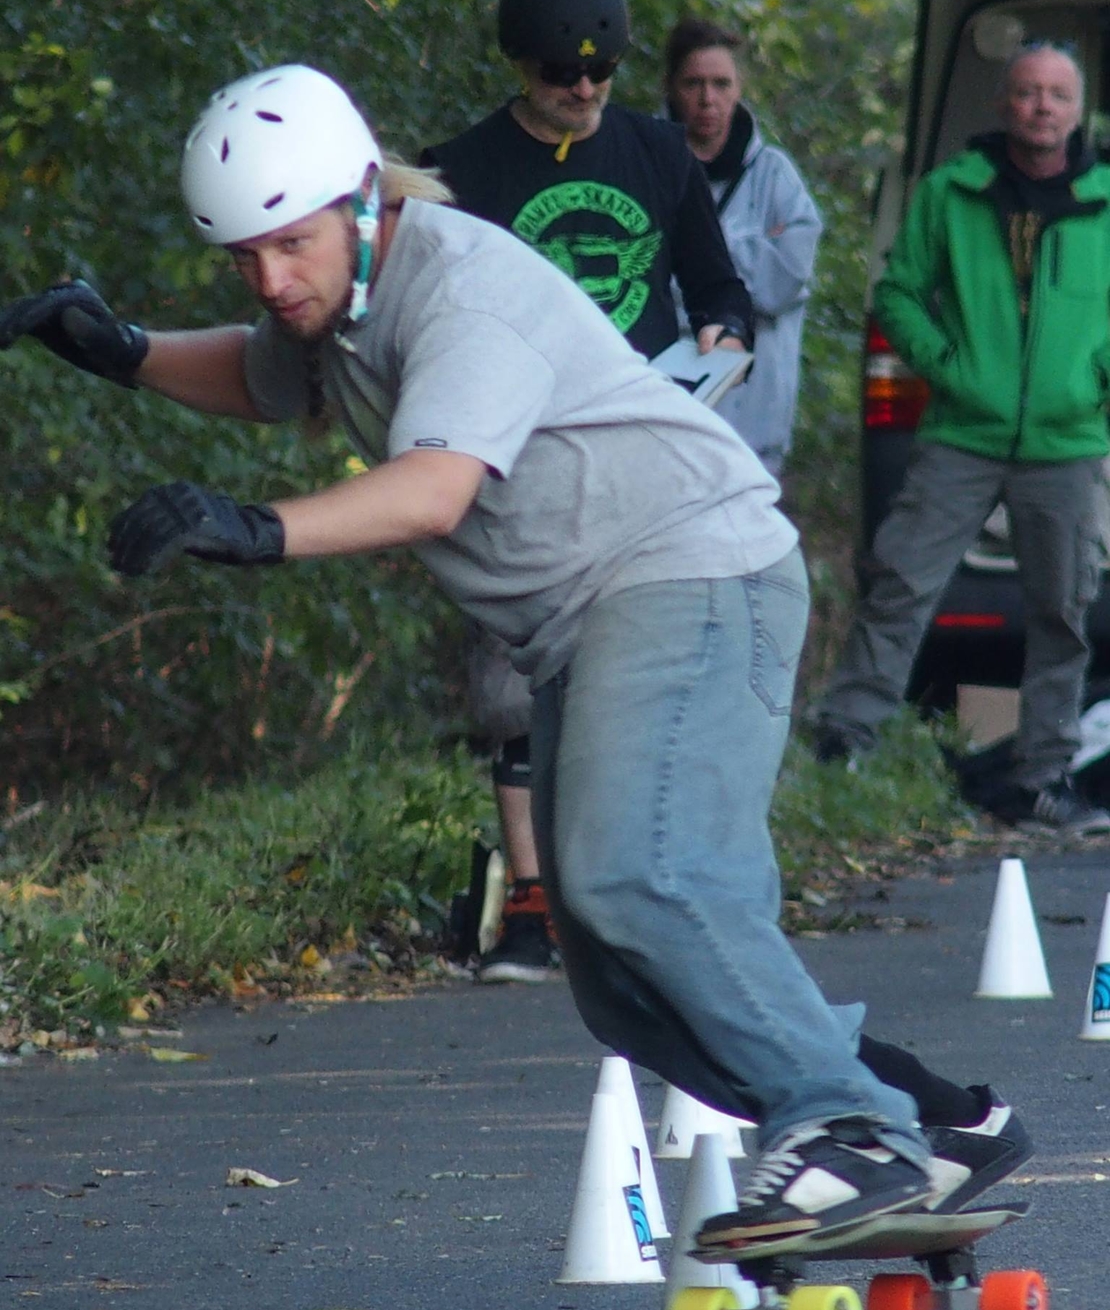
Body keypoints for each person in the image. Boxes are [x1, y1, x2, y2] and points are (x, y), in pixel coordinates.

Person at [0, 63, 1031, 1244]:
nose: (270, 279)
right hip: (595, 617)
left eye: (288, 244)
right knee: (623, 980)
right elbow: (257, 373)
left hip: (690, 569)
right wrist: (123, 349)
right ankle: (934, 1123)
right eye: (244, 257)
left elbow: (435, 491)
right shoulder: (338, 303)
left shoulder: (460, 286)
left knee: (639, 874)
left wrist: (256, 531)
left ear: (360, 200)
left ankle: (850, 1132)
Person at [422, 0, 755, 983]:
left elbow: (723, 295)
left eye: (602, 72)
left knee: (640, 676)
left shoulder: (656, 151)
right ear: (520, 65)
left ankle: (638, 892)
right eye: (564, 74)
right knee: (513, 681)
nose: (585, 90)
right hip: (516, 460)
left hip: (641, 455)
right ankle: (531, 903)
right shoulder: (462, 175)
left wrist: (717, 355)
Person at [811, 42, 1110, 837]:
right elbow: (898, 292)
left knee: (1064, 613)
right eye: (1025, 92)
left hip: (1069, 442)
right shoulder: (951, 192)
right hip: (961, 433)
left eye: (1055, 95)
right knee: (900, 582)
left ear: (1079, 110)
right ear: (1004, 104)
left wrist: (1095, 380)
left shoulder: (1108, 201)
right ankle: (845, 746)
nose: (1041, 107)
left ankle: (1042, 780)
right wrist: (946, 366)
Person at [664, 16, 822, 482]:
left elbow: (784, 280)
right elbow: (632, 279)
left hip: (755, 427)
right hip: (667, 420)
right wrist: (750, 252)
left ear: (739, 88)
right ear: (671, 87)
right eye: (693, 83)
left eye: (720, 83)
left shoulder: (776, 177)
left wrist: (686, 259)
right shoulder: (646, 167)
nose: (707, 99)